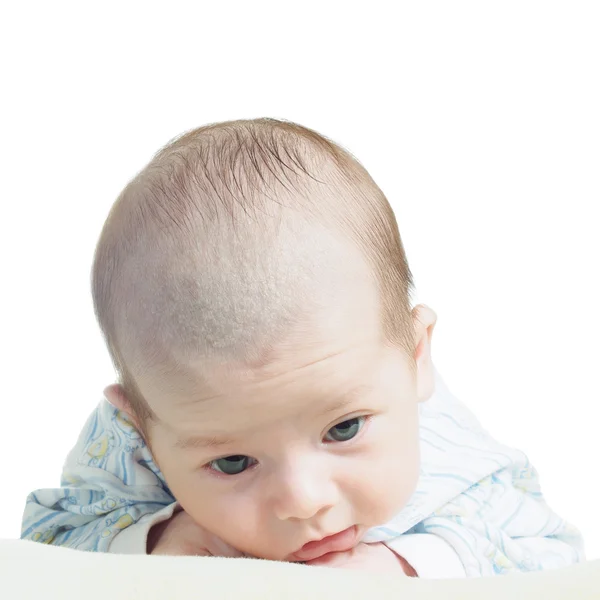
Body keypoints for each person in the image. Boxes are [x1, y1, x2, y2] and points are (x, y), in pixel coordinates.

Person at [21, 119, 584, 578]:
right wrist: (155, 545)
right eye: (233, 462)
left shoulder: (444, 447)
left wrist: (410, 566)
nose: (304, 500)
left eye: (344, 429)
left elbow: (552, 552)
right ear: (143, 428)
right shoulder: (130, 444)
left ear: (415, 358)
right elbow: (43, 549)